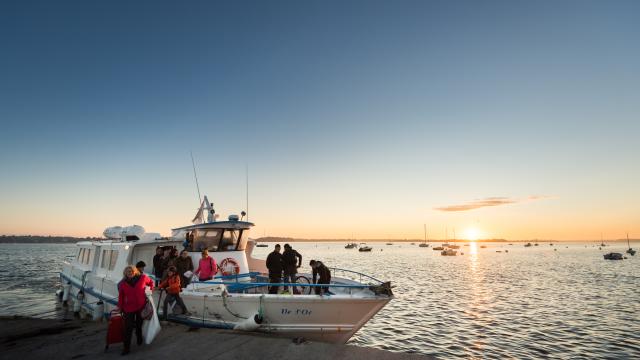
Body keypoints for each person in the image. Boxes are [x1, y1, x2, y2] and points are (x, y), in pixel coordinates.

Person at [117, 265, 154, 355]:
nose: (130, 272)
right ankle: (126, 348)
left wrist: (149, 291)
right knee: (128, 328)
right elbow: (121, 297)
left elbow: (151, 282)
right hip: (128, 308)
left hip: (141, 307)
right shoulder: (122, 283)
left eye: (132, 271)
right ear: (125, 273)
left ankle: (139, 335)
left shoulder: (143, 277)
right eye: (128, 271)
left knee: (138, 325)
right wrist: (120, 308)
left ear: (135, 271)